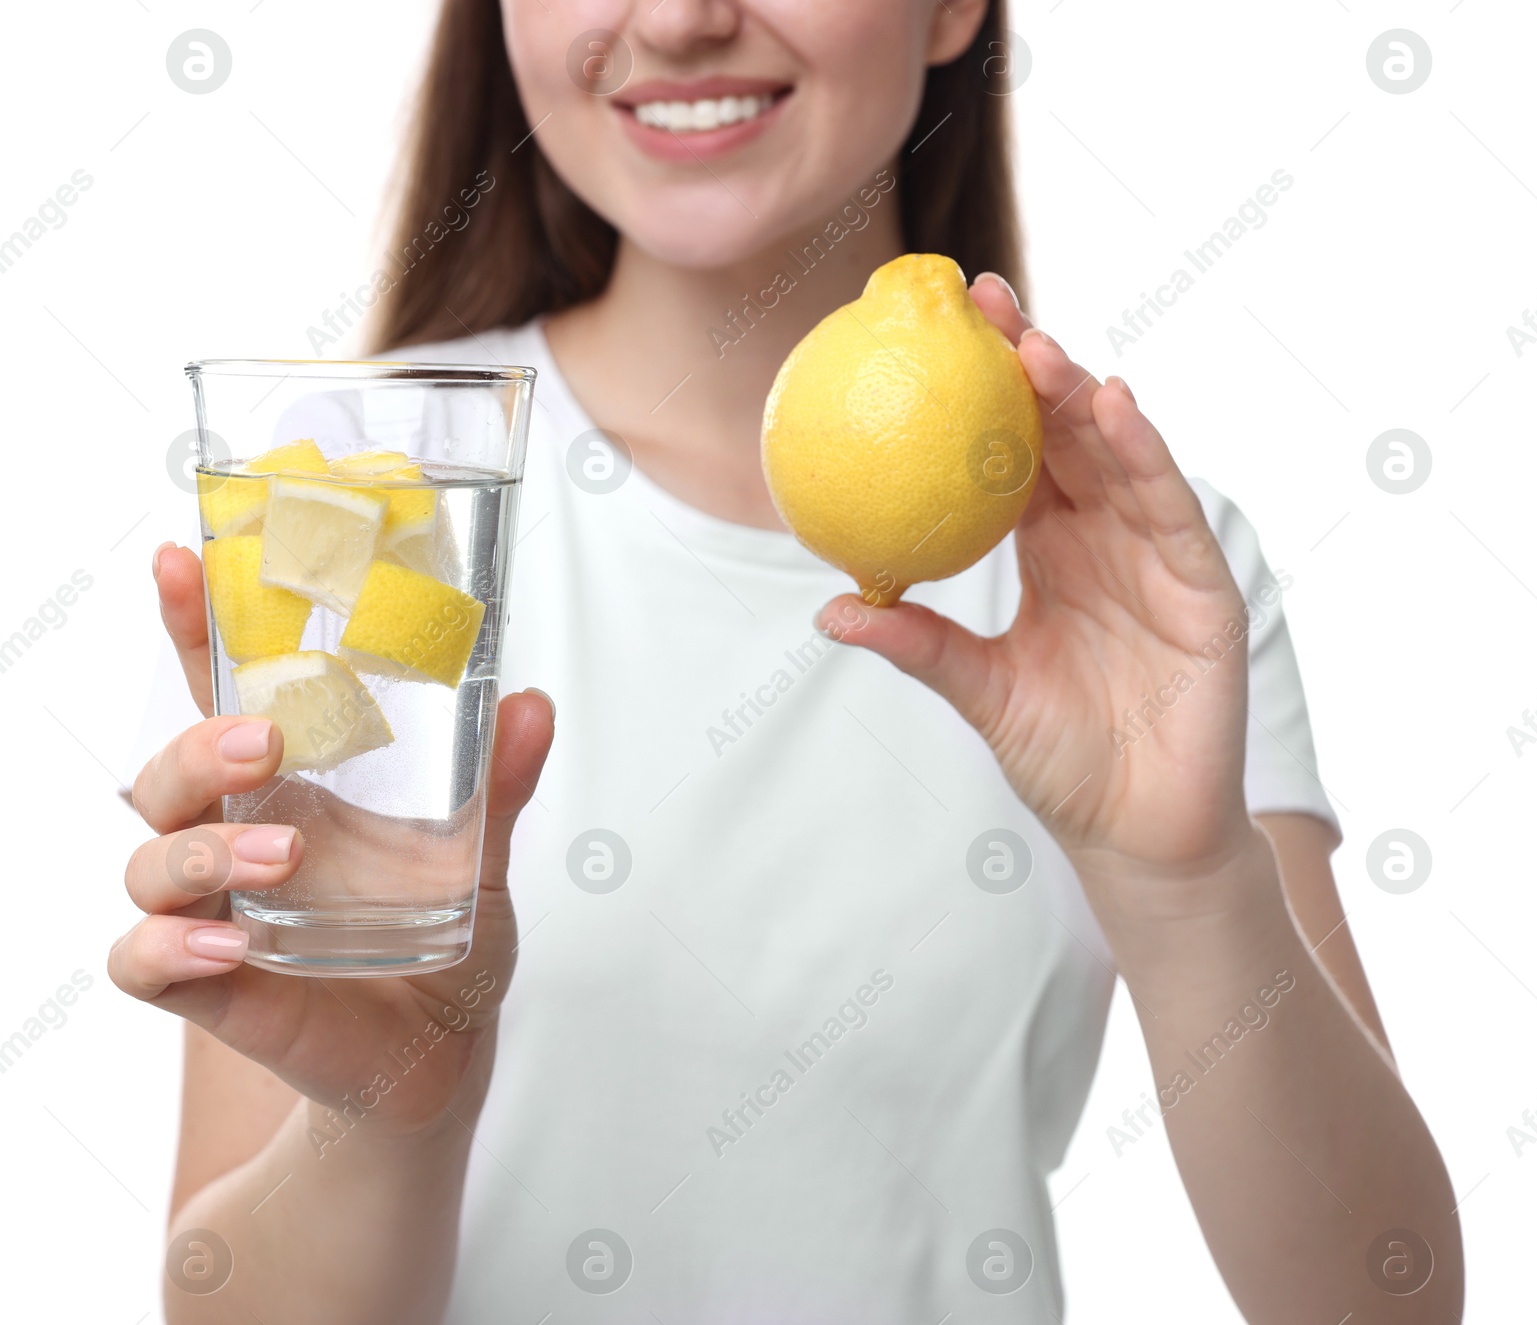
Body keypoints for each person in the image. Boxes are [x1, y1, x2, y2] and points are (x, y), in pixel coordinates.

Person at [116, 1, 1464, 1320]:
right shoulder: (383, 489)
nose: (689, 18)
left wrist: (1187, 888)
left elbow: (1389, 1302)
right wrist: (390, 1118)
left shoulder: (1138, 571)